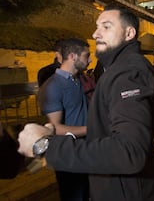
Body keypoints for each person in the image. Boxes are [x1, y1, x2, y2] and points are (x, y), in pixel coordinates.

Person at [18, 5, 154, 201]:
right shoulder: (118, 69)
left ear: (129, 33)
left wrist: (46, 147)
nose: (95, 33)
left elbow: (129, 151)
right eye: (96, 27)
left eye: (106, 26)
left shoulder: (128, 73)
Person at [38, 38, 91, 201]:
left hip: (84, 150)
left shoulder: (76, 80)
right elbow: (54, 128)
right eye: (86, 56)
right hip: (68, 156)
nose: (90, 60)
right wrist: (89, 129)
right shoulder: (54, 86)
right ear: (73, 56)